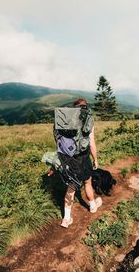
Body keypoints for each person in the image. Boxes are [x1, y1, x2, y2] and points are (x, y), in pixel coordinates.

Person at [55, 98, 102, 228]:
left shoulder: (65, 119)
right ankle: (92, 206)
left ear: (74, 108)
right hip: (83, 156)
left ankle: (66, 218)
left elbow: (59, 141)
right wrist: (95, 159)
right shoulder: (88, 119)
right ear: (85, 107)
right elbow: (92, 143)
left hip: (68, 158)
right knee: (87, 181)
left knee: (71, 187)